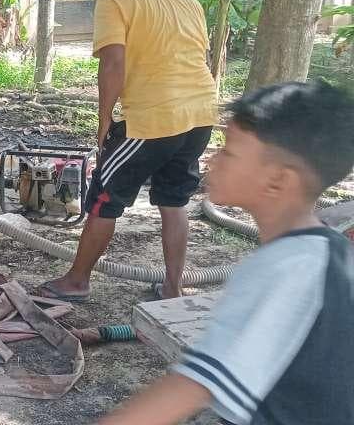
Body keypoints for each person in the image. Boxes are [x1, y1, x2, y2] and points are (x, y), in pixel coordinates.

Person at [96, 81, 354, 425]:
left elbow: (191, 387)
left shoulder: (283, 267)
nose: (213, 159)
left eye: (229, 152)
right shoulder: (330, 251)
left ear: (277, 181)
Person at [38, 0, 218, 302]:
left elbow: (113, 62)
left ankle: (76, 281)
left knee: (105, 197)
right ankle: (172, 286)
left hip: (152, 118)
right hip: (199, 114)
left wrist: (104, 118)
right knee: (174, 200)